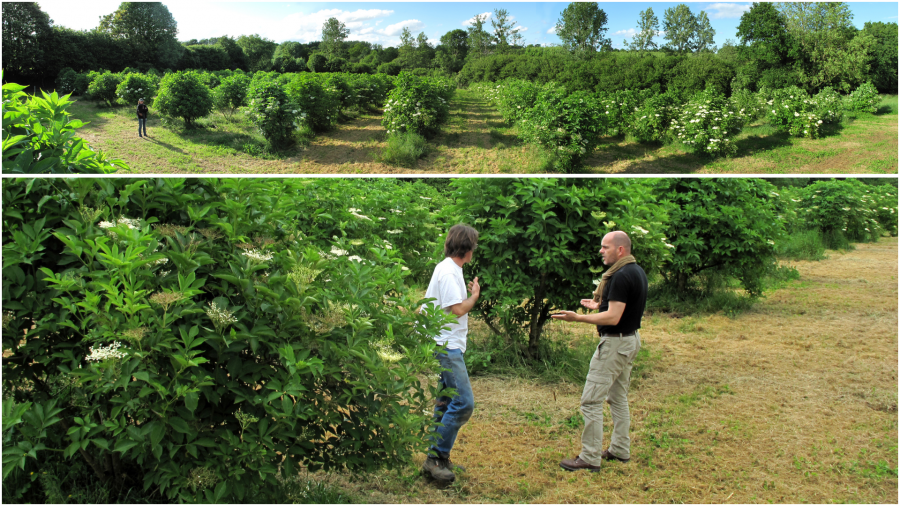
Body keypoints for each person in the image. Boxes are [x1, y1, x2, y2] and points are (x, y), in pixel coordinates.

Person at [551, 230, 648, 473]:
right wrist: (598, 305)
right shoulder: (635, 270)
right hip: (630, 340)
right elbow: (621, 307)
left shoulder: (621, 275)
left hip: (615, 344)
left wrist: (578, 318)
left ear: (620, 250)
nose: (601, 251)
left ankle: (590, 457)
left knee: (591, 400)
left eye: (605, 247)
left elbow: (614, 317)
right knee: (617, 397)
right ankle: (620, 449)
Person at [420, 224, 480, 484]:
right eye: (473, 246)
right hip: (446, 346)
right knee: (464, 402)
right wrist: (474, 296)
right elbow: (457, 309)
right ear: (467, 248)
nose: (474, 251)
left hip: (447, 343)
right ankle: (436, 457)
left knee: (445, 402)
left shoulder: (450, 269)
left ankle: (437, 459)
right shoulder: (447, 271)